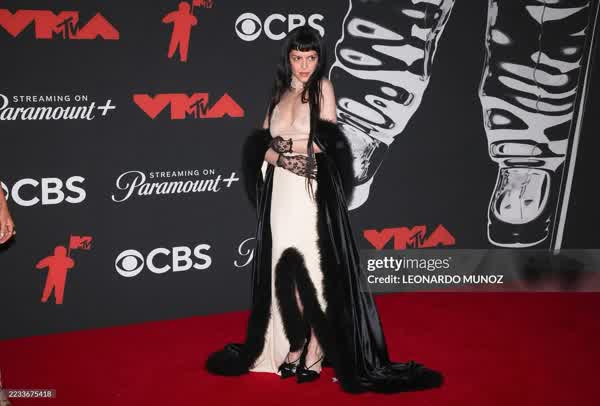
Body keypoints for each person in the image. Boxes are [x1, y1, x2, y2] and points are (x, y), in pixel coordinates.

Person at [205, 25, 443, 394]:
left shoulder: (323, 89)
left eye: (311, 58)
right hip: (281, 191)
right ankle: (294, 342)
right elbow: (260, 144)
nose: (304, 65)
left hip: (310, 189)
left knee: (315, 273)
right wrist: (282, 157)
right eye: (297, 58)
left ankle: (315, 350)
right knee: (282, 272)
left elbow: (326, 140)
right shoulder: (278, 93)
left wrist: (289, 150)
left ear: (319, 60)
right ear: (288, 59)